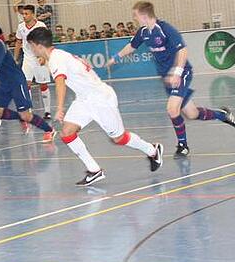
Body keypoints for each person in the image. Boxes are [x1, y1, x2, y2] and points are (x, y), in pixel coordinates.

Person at [27, 27, 163, 186]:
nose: (31, 49)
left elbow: (60, 83)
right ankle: (94, 170)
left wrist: (59, 108)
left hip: (101, 100)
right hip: (85, 100)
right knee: (66, 132)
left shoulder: (56, 59)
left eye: (31, 45)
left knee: (118, 138)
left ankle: (153, 150)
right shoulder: (57, 56)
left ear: (39, 46)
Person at [106, 1, 235, 157]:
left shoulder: (165, 29)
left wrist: (177, 72)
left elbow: (182, 51)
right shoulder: (143, 32)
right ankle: (223, 115)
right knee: (192, 114)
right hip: (167, 77)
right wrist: (116, 57)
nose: (134, 19)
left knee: (172, 109)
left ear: (144, 16)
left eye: (135, 15)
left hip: (181, 73)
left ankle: (183, 145)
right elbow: (132, 46)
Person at [0, 19, 55, 143]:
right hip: (3, 83)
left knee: (26, 115)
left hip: (15, 81)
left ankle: (49, 130)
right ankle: (21, 117)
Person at [14, 4, 52, 121]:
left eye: (26, 14)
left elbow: (47, 41)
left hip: (40, 58)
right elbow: (18, 42)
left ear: (33, 14)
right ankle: (29, 112)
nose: (24, 16)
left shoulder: (41, 25)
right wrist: (15, 59)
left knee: (43, 84)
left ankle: (47, 111)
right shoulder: (21, 27)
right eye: (23, 14)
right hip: (28, 59)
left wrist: (44, 57)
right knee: (26, 84)